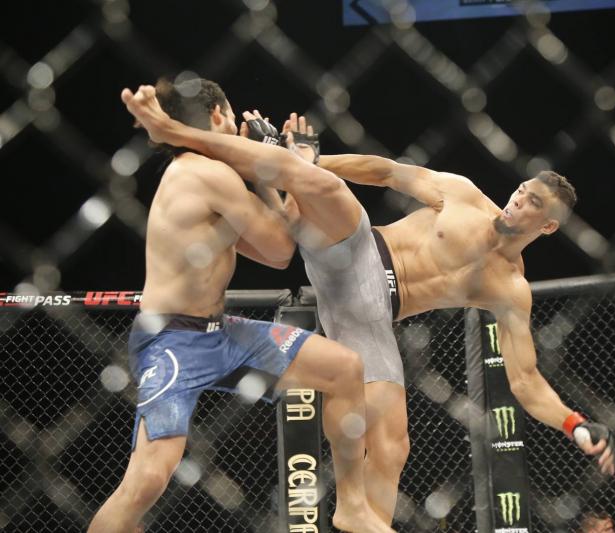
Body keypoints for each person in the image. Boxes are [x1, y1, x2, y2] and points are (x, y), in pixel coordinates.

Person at [119, 84, 615, 525]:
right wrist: (314, 164)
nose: (519, 202)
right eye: (523, 191)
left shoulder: (510, 289)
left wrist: (574, 423)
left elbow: (525, 380)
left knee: (392, 446)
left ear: (548, 226)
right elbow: (385, 172)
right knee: (324, 188)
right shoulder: (463, 196)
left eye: (534, 204)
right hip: (357, 252)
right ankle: (264, 157)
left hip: (368, 316)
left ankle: (363, 521)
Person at [92, 79, 393, 533]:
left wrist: (277, 170)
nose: (238, 128)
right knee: (148, 479)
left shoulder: (214, 177)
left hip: (221, 332)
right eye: (232, 117)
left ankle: (352, 507)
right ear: (216, 115)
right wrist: (277, 167)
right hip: (172, 339)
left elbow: (275, 252)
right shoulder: (204, 173)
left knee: (343, 368)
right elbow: (281, 244)